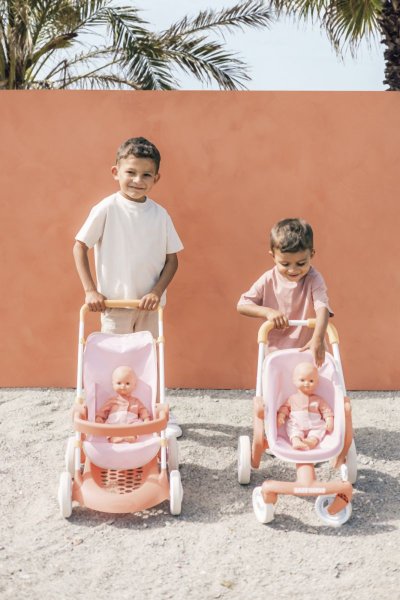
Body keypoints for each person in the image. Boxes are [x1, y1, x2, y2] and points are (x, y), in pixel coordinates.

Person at [73, 136, 183, 437]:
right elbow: (80, 246)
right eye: (131, 172)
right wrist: (90, 290)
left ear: (156, 178)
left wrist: (156, 292)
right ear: (116, 172)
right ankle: (110, 413)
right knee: (116, 364)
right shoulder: (107, 208)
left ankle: (155, 411)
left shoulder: (160, 215)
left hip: (149, 306)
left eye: (146, 174)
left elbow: (172, 260)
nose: (138, 180)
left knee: (149, 360)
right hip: (115, 305)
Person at [237, 218, 332, 367]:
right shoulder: (268, 279)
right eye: (285, 264)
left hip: (307, 351)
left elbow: (322, 308)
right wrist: (268, 312)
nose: (293, 270)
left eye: (301, 263)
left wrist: (318, 338)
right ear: (273, 257)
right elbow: (242, 305)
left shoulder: (314, 279)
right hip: (276, 354)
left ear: (312, 254)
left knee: (310, 381)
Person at [277, 362, 334, 450]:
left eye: (311, 381)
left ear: (317, 383)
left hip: (315, 424)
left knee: (320, 428)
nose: (306, 383)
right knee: (291, 427)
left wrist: (329, 420)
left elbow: (326, 410)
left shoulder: (318, 399)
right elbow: (285, 408)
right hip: (297, 423)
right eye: (302, 380)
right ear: (294, 381)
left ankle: (311, 441)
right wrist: (281, 416)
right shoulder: (292, 398)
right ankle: (296, 440)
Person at [95, 366, 151, 444]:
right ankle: (113, 437)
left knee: (137, 425)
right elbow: (104, 410)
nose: (123, 386)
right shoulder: (112, 400)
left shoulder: (136, 401)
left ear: (134, 385)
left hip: (131, 421)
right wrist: (99, 417)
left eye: (127, 383)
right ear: (113, 384)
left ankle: (132, 436)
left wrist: (146, 418)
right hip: (114, 421)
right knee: (108, 426)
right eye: (119, 383)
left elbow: (142, 410)